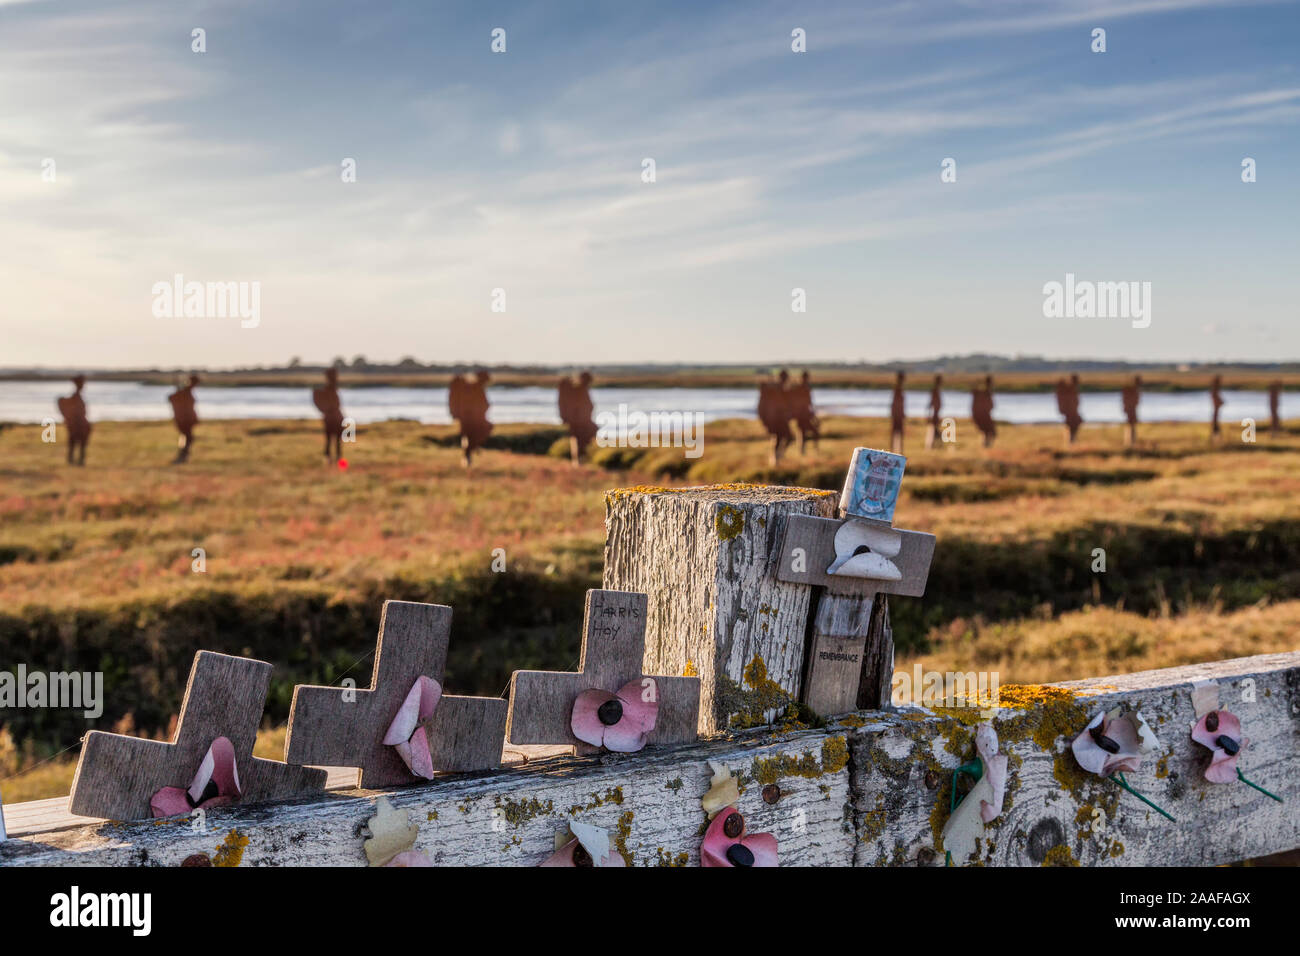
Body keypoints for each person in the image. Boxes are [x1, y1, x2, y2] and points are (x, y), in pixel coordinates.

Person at [453, 370, 493, 467]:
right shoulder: (476, 388)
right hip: (472, 419)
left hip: (468, 419)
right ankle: (468, 455)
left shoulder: (473, 388)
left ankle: (468, 455)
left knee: (468, 438)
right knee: (471, 437)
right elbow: (482, 404)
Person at [558, 371, 598, 465]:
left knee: (581, 443)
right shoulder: (577, 390)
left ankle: (579, 462)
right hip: (579, 423)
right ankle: (578, 462)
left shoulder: (579, 389)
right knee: (580, 443)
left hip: (581, 422)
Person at [757, 370, 794, 465]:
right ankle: (776, 457)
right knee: (784, 437)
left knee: (782, 438)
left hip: (779, 418)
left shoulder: (779, 387)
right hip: (777, 419)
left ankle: (776, 457)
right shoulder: (776, 388)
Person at [57, 375, 91, 466]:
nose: (83, 386)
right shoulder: (75, 397)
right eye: (81, 384)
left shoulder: (77, 397)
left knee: (78, 446)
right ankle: (74, 462)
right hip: (76, 427)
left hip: (80, 426)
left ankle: (77, 462)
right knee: (74, 445)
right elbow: (61, 402)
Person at [313, 368, 345, 464]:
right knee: (331, 439)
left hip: (334, 417)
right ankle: (332, 458)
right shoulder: (330, 388)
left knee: (333, 439)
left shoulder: (331, 388)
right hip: (332, 417)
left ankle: (333, 458)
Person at [168, 374, 200, 463]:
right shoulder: (185, 391)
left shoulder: (185, 391)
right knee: (187, 437)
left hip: (185, 419)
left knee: (187, 436)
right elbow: (172, 399)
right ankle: (182, 454)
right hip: (183, 419)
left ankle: (183, 454)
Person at [789, 370, 820, 455]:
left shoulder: (805, 387)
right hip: (801, 414)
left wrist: (812, 413)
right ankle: (803, 451)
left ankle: (811, 450)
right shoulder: (800, 388)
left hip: (806, 414)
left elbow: (809, 402)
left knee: (810, 432)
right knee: (803, 432)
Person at [971, 374, 996, 448]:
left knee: (987, 432)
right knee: (989, 432)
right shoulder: (985, 392)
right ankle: (986, 446)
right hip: (983, 415)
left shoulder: (983, 392)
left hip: (982, 415)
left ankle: (986, 446)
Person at [1058, 373, 1083, 445]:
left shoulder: (1072, 389)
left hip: (1072, 413)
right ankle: (1071, 442)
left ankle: (1071, 441)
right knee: (1072, 426)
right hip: (1071, 413)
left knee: (1073, 427)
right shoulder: (1070, 389)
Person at [1121, 375, 1142, 447]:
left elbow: (1135, 401)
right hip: (1130, 410)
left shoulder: (1134, 390)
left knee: (1131, 425)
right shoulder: (1129, 390)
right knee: (1130, 425)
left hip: (1131, 410)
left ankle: (1130, 443)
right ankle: (1129, 443)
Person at [924, 374, 943, 449]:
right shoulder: (935, 391)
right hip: (934, 414)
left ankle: (933, 446)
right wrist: (929, 415)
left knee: (934, 431)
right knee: (934, 431)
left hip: (935, 414)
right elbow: (931, 403)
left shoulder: (936, 390)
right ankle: (932, 447)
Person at [889, 371, 906, 454]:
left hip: (899, 415)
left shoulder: (899, 389)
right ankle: (893, 451)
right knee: (895, 434)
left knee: (899, 434)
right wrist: (896, 414)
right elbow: (894, 403)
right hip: (897, 416)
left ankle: (899, 451)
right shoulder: (897, 389)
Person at [1209, 374, 1225, 443]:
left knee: (1215, 426)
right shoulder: (1215, 390)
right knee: (1215, 426)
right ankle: (1215, 441)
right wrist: (1221, 402)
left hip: (1216, 412)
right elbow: (1217, 400)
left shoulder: (1215, 390)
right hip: (1216, 412)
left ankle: (1215, 440)